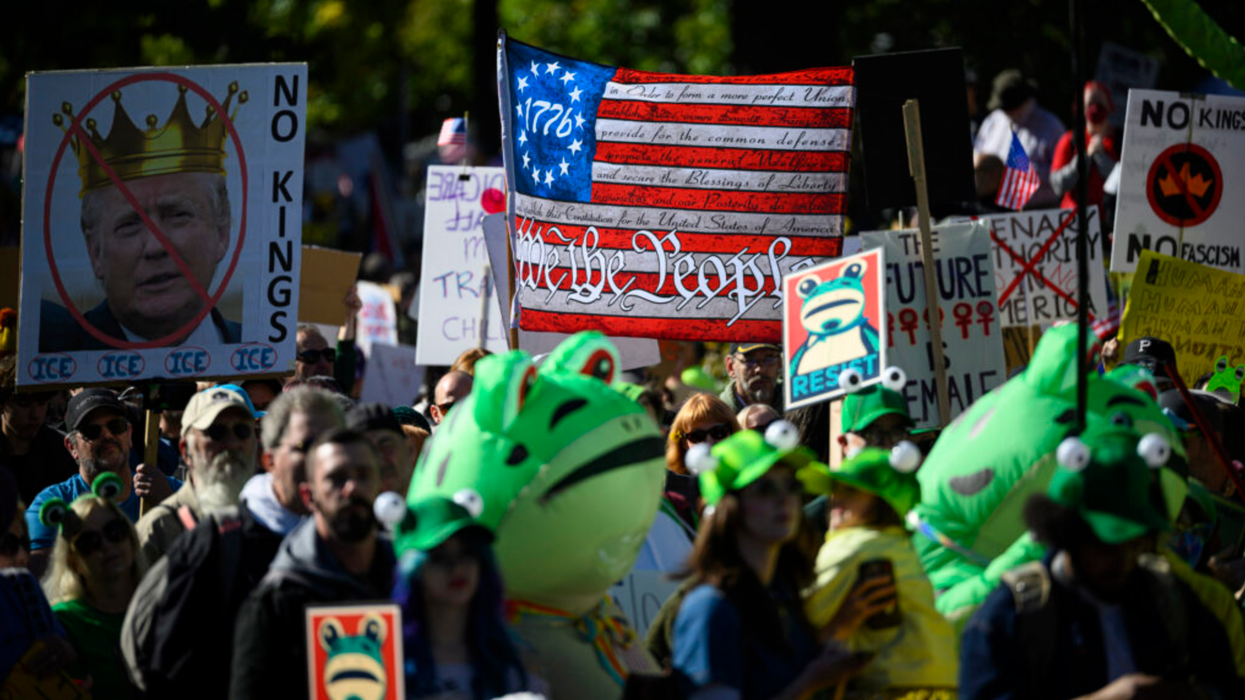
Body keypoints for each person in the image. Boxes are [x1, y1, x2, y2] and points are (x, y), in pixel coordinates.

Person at [960, 429, 1245, 699]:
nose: (1121, 558)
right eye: (1104, 543)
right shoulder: (1010, 617)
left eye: (1134, 542)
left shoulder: (1173, 601)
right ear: (1067, 531)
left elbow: (1225, 685)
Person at [38, 85, 247, 351]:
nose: (156, 246)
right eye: (129, 224)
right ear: (95, 250)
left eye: (177, 215)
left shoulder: (263, 364)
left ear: (222, 231)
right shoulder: (56, 354)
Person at [669, 428, 869, 699]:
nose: (784, 499)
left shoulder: (784, 596)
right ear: (728, 508)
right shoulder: (711, 608)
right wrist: (810, 683)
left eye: (792, 485)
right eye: (764, 488)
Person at [230, 428, 396, 700]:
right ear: (309, 496)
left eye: (364, 475)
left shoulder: (410, 580)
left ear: (381, 485)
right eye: (336, 478)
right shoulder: (274, 602)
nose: (352, 488)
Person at [801, 447, 959, 694]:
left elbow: (804, 617)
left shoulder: (852, 546)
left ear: (882, 503)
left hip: (893, 686)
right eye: (835, 488)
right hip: (941, 681)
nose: (836, 498)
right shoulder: (899, 545)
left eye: (851, 490)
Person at [393, 497, 544, 698]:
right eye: (439, 557)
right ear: (413, 572)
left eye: (468, 553)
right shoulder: (388, 660)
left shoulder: (517, 660)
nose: (457, 568)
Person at [26, 389, 179, 576]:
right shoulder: (54, 503)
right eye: (92, 431)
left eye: (116, 426)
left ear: (129, 434)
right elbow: (36, 570)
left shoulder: (169, 490)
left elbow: (209, 549)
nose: (107, 435)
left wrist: (172, 507)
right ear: (71, 447)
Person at [41, 475, 146, 699]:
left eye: (114, 532)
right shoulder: (62, 624)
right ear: (72, 561)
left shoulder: (164, 603)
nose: (106, 546)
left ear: (130, 536)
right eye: (89, 542)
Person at [134, 386, 257, 563]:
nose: (232, 443)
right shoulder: (158, 529)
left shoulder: (267, 516)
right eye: (216, 432)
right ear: (186, 450)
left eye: (242, 431)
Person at [805, 383, 914, 540]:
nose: (887, 444)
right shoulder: (815, 520)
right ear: (844, 444)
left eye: (897, 434)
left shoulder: (919, 504)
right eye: (872, 434)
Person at [239, 387, 345, 536]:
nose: (323, 457)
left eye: (333, 443)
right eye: (306, 446)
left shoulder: (364, 531)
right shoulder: (227, 538)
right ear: (270, 461)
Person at [973, 69, 1065, 209]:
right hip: (992, 209)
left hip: (1039, 211)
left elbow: (1062, 176)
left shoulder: (1050, 126)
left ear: (1023, 101)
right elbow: (976, 155)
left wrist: (1019, 175)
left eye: (1009, 107)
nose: (1005, 112)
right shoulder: (993, 121)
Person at [1, 358, 78, 504]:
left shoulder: (62, 450)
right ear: (3, 404)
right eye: (24, 404)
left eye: (42, 403)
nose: (35, 414)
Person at [1049, 81, 1119, 210]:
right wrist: (1084, 159)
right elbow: (1057, 185)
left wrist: (1101, 158)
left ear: (1109, 105)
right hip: (1074, 218)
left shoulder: (1120, 140)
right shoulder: (1069, 140)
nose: (1095, 108)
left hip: (1108, 221)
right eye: (1091, 103)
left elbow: (1126, 184)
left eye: (1100, 103)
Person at [346, 402, 415, 495]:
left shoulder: (436, 507)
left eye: (386, 446)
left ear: (410, 450)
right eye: (366, 451)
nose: (379, 459)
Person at [294, 315, 360, 395]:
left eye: (328, 354)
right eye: (312, 356)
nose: (324, 363)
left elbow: (345, 349)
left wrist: (349, 314)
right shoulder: (281, 401)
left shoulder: (339, 393)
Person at [720, 342, 784, 413]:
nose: (760, 369)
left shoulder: (795, 409)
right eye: (749, 361)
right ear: (731, 366)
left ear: (779, 364)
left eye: (769, 359)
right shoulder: (714, 418)